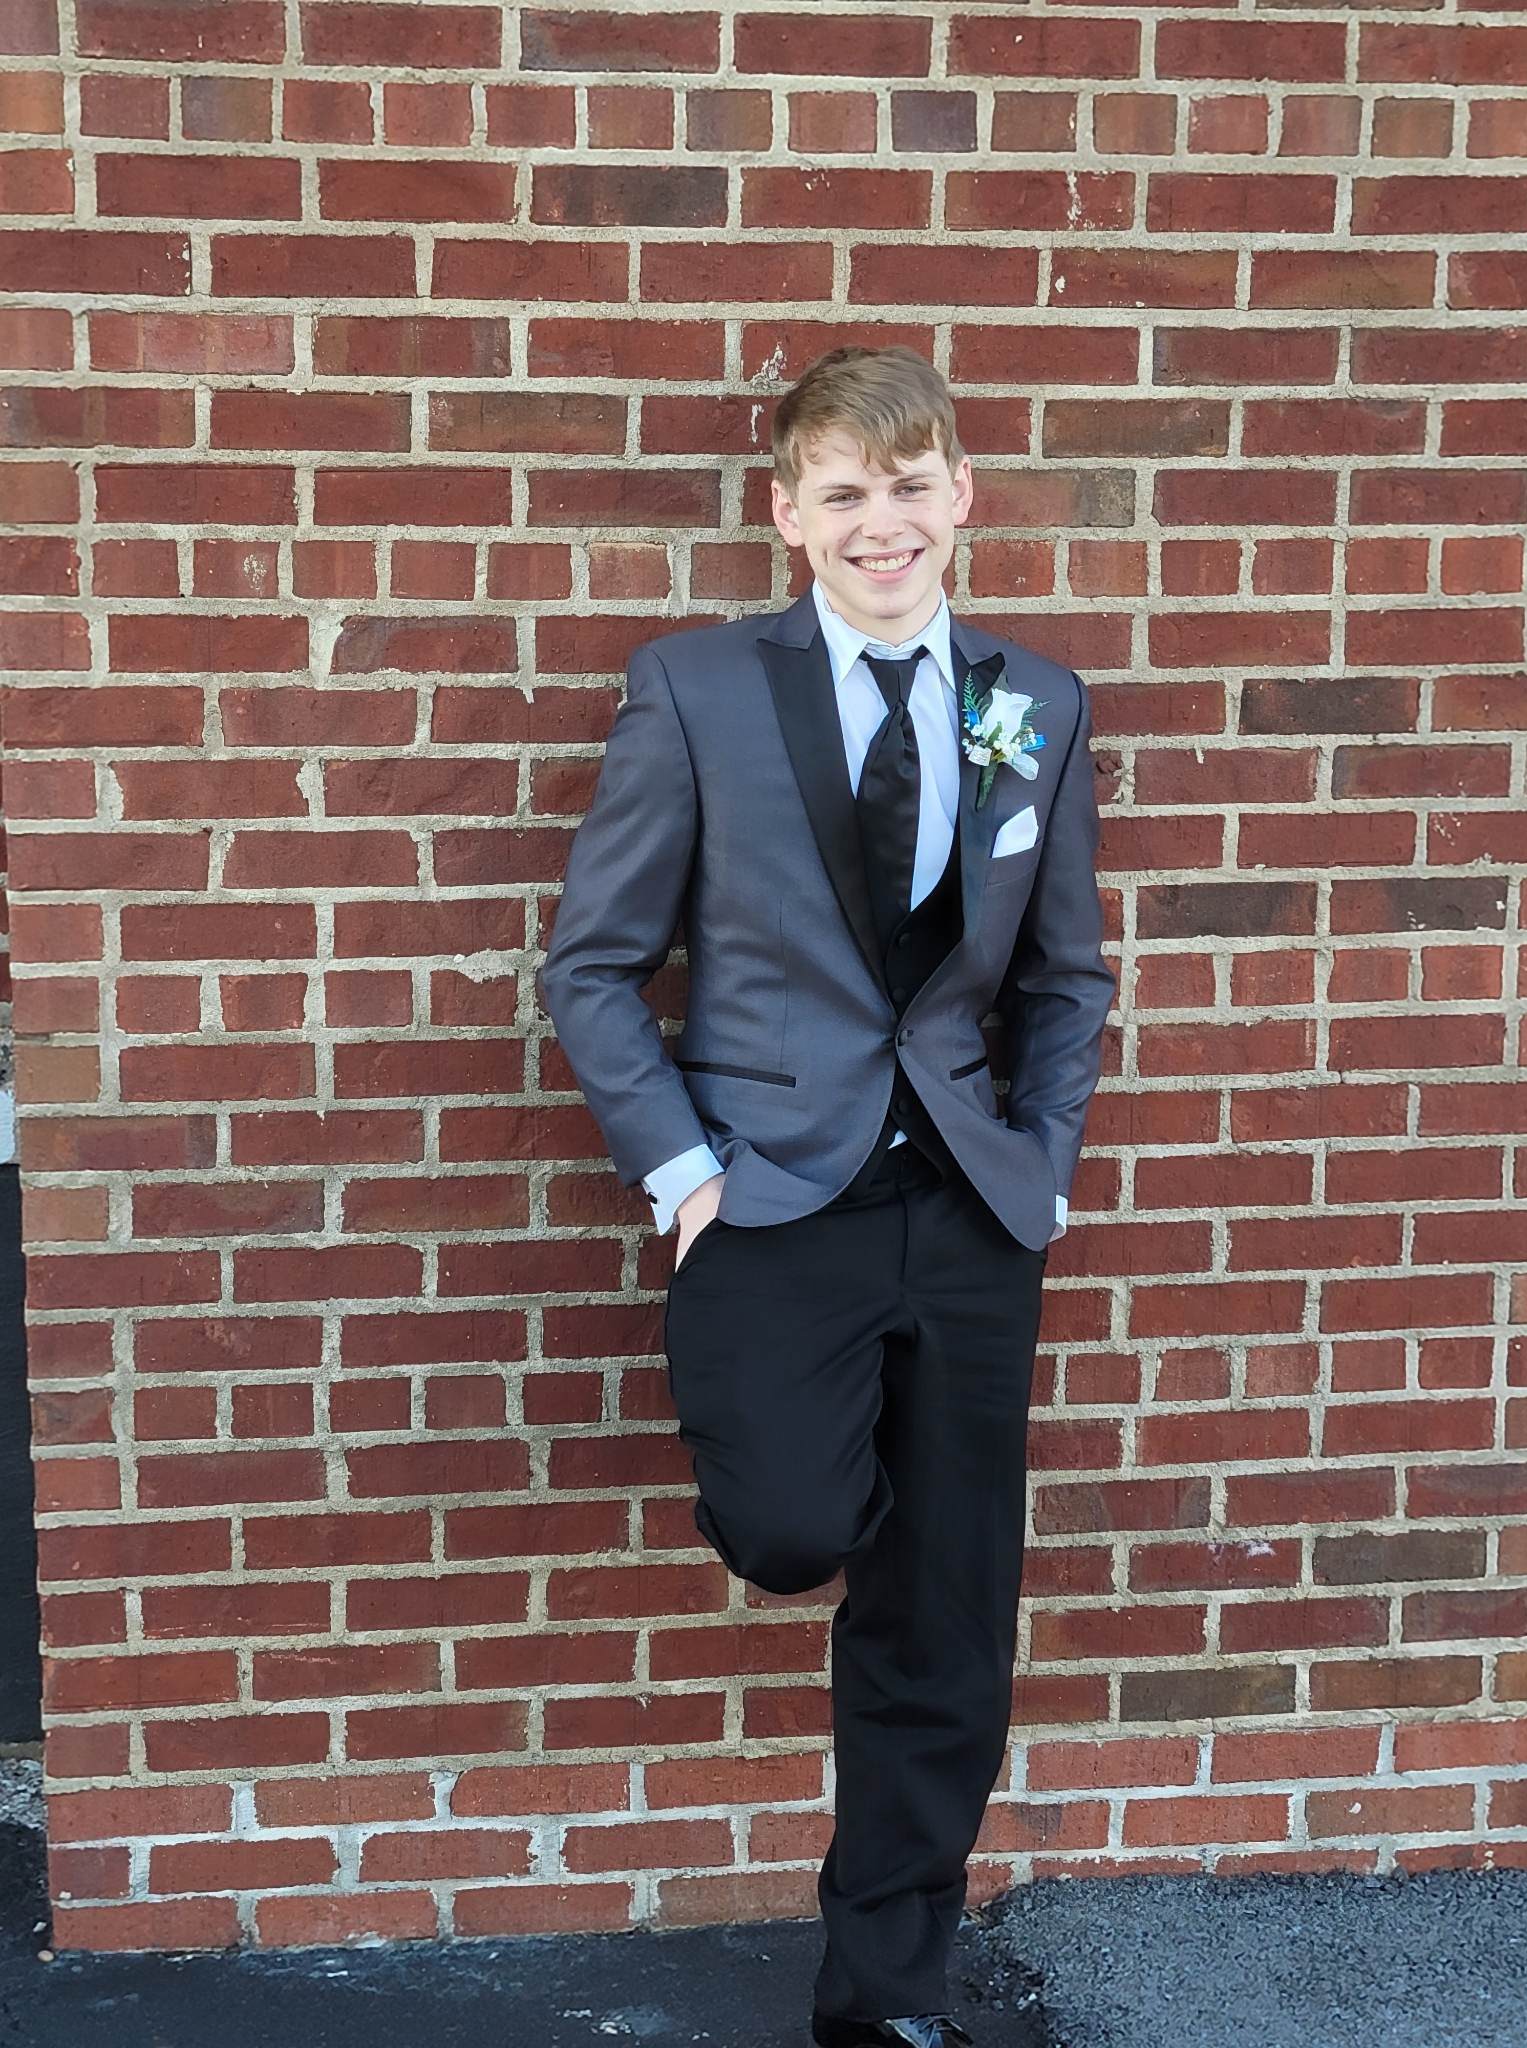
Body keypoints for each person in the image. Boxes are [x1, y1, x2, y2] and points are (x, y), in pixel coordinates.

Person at [537, 344, 1115, 2048]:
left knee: (947, 1622)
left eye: (912, 484)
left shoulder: (1036, 702)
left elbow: (1066, 982)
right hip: (772, 1196)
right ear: (788, 514)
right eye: (845, 491)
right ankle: (827, 1477)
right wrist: (685, 1173)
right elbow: (594, 965)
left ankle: (885, 1994)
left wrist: (1045, 1162)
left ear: (962, 501)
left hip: (972, 1213)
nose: (885, 522)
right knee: (792, 1525)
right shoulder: (698, 689)